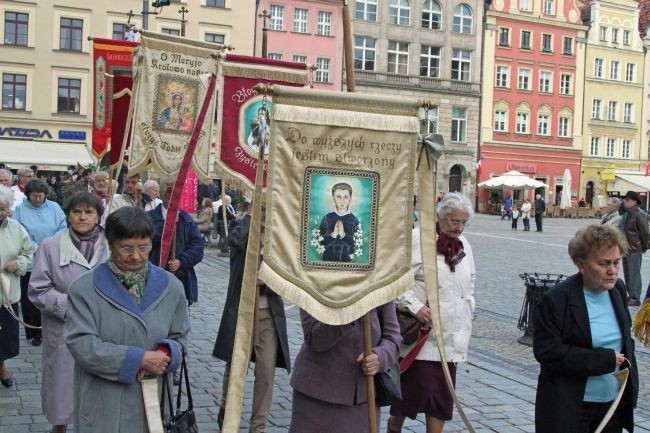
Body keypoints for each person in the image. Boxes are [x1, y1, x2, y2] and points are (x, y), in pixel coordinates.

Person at [64, 207, 191, 433]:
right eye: (126, 248)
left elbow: (180, 338)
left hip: (152, 402)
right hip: (104, 401)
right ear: (110, 245)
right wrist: (138, 359)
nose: (135, 256)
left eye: (143, 248)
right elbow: (81, 344)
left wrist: (166, 353)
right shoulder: (85, 288)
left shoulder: (171, 287)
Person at [533, 224, 638, 433]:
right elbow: (548, 352)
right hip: (571, 406)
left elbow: (626, 340)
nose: (613, 270)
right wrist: (603, 360)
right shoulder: (557, 299)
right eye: (604, 263)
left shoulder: (617, 289)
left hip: (611, 404)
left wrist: (631, 386)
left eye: (617, 262)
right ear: (581, 264)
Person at [389, 192, 476, 433]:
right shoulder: (419, 239)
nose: (459, 228)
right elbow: (396, 280)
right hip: (422, 342)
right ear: (441, 217)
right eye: (454, 221)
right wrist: (416, 306)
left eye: (463, 222)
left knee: (440, 405)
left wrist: (469, 306)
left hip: (450, 342)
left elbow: (470, 281)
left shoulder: (464, 244)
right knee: (404, 403)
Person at [28, 192, 108, 433]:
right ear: (68, 215)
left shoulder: (111, 245)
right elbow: (38, 290)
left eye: (89, 212)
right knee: (61, 386)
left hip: (102, 327)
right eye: (76, 211)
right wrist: (71, 306)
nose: (82, 216)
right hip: (63, 328)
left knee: (99, 385)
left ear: (97, 216)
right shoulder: (50, 246)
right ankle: (59, 427)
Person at [213, 203, 291, 433]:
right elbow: (233, 243)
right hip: (242, 313)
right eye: (261, 211)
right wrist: (250, 218)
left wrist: (268, 281)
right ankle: (227, 414)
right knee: (236, 367)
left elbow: (289, 279)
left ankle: (258, 426)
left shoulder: (279, 242)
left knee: (266, 373)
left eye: (268, 212)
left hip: (268, 316)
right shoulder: (243, 231)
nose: (265, 217)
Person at [14, 179, 67, 346]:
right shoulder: (20, 210)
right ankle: (35, 332)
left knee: (52, 290)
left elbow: (63, 226)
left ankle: (51, 328)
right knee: (30, 297)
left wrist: (50, 243)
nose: (37, 199)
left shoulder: (54, 207)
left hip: (52, 255)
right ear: (28, 195)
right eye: (34, 196)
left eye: (40, 196)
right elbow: (18, 232)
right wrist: (34, 246)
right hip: (31, 257)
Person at [0, 185, 34, 388]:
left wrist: (18, 264)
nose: (1, 213)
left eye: (4, 208)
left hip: (7, 293)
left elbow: (28, 252)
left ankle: (1, 367)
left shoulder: (16, 227)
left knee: (4, 336)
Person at [148, 184, 204, 306]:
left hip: (180, 277)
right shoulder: (150, 217)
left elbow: (198, 247)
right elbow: (147, 241)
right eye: (168, 194)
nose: (172, 198)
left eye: (176, 194)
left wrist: (181, 261)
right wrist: (168, 224)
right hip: (155, 275)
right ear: (163, 195)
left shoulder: (187, 219)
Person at [620, 191, 648, 306]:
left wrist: (644, 246)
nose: (625, 202)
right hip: (626, 248)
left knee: (634, 273)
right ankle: (630, 295)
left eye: (628, 200)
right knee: (627, 273)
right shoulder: (627, 213)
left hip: (635, 248)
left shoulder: (639, 214)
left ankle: (635, 297)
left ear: (635, 201)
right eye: (625, 200)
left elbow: (645, 232)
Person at [319, 182, 360, 262]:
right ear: (333, 198)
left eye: (345, 197)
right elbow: (320, 242)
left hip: (347, 261)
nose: (342, 201)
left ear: (350, 198)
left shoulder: (354, 220)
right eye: (338, 197)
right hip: (328, 260)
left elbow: (357, 244)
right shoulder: (326, 218)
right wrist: (333, 235)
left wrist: (343, 235)